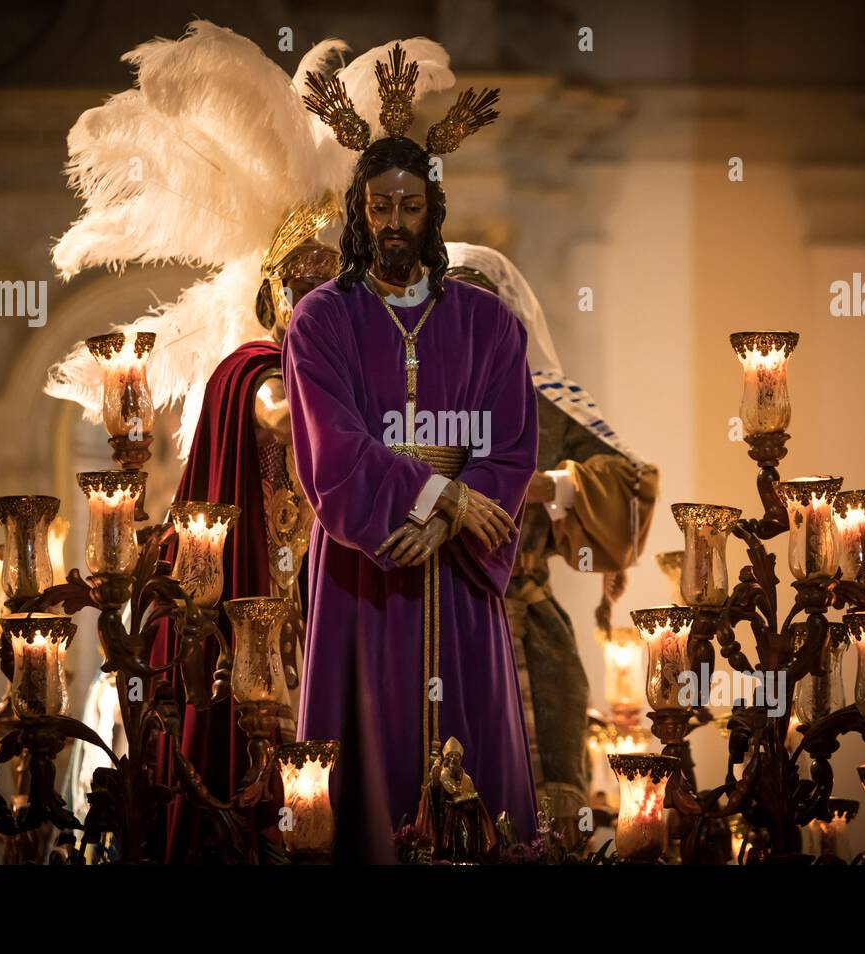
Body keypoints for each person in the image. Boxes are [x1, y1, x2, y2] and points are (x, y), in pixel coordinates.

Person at [45, 25, 454, 860]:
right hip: (259, 613)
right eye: (297, 289)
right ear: (272, 300)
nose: (313, 304)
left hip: (348, 595)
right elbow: (288, 415)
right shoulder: (256, 375)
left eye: (327, 286)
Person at [285, 44, 538, 838]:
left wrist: (458, 511)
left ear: (434, 212)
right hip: (366, 568)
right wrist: (438, 495)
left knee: (472, 797)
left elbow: (511, 443)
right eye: (380, 207)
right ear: (359, 211)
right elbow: (334, 443)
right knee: (365, 778)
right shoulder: (322, 318)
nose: (395, 224)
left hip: (457, 572)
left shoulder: (489, 323)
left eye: (411, 207)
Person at [445, 244, 659, 843]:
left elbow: (632, 488)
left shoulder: (546, 399)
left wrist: (552, 486)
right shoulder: (412, 399)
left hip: (527, 625)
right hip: (432, 620)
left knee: (539, 818)